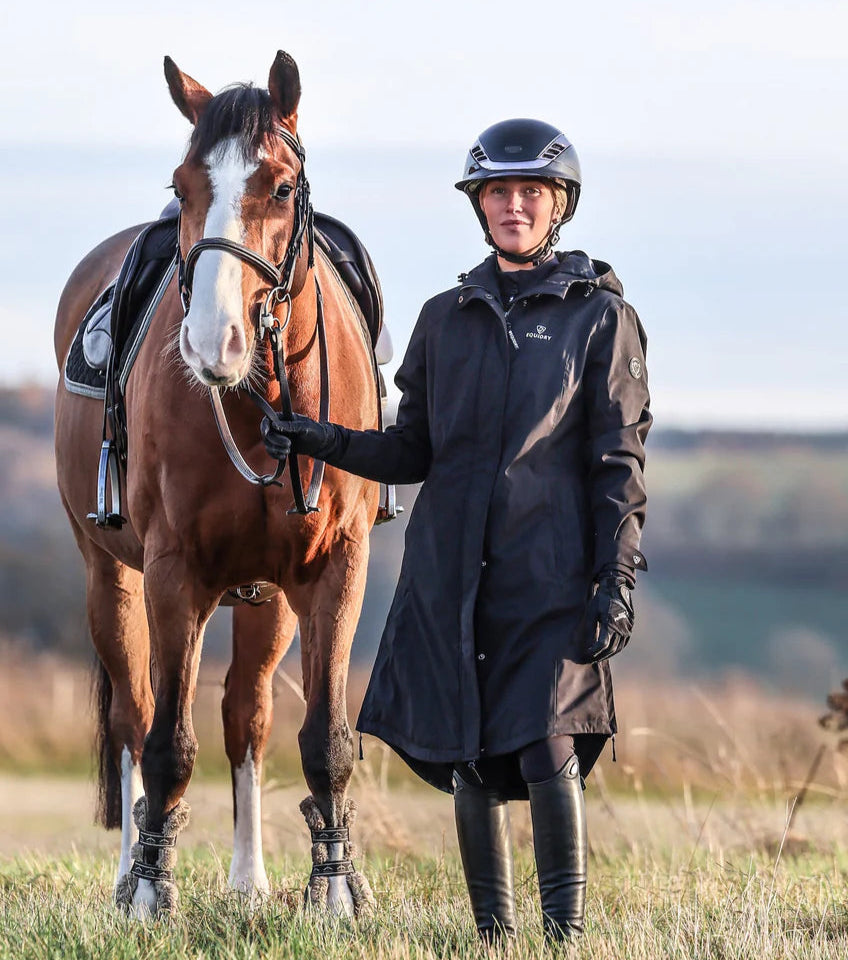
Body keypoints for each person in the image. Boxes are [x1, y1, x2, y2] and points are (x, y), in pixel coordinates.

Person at [262, 119, 651, 945]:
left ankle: (562, 938)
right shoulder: (444, 318)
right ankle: (492, 938)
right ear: (479, 206)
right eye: (499, 193)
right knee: (469, 757)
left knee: (549, 746)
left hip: (552, 578)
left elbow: (619, 461)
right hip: (450, 578)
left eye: (531, 194)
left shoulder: (600, 318)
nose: (514, 206)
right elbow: (413, 449)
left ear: (559, 207)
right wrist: (321, 436)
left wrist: (615, 580)